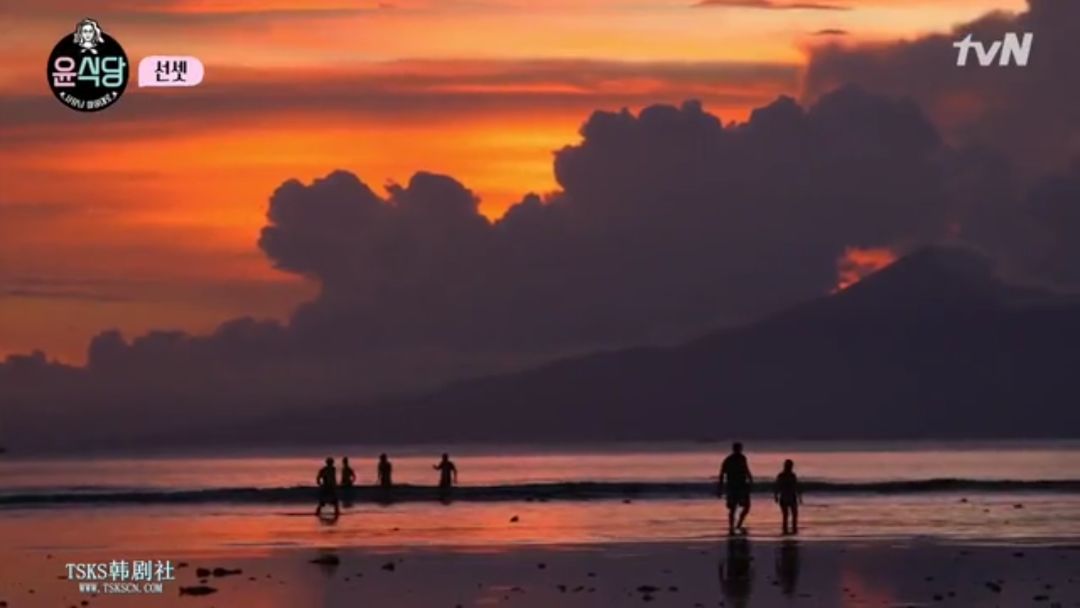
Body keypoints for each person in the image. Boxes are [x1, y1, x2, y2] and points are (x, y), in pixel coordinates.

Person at [719, 442, 753, 534]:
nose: (739, 450)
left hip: (742, 485)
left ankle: (738, 524)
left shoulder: (742, 458)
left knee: (746, 507)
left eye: (740, 448)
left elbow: (746, 469)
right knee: (733, 508)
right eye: (738, 448)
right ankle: (731, 526)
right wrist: (720, 488)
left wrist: (750, 479)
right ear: (734, 449)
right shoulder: (729, 460)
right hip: (733, 486)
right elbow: (722, 474)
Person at [774, 459, 802, 534]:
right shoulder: (782, 475)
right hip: (785, 497)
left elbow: (796, 486)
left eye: (790, 466)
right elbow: (777, 486)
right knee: (787, 515)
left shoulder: (791, 475)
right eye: (789, 466)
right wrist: (776, 495)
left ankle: (792, 528)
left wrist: (799, 497)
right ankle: (787, 529)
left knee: (793, 514)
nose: (790, 467)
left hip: (791, 496)